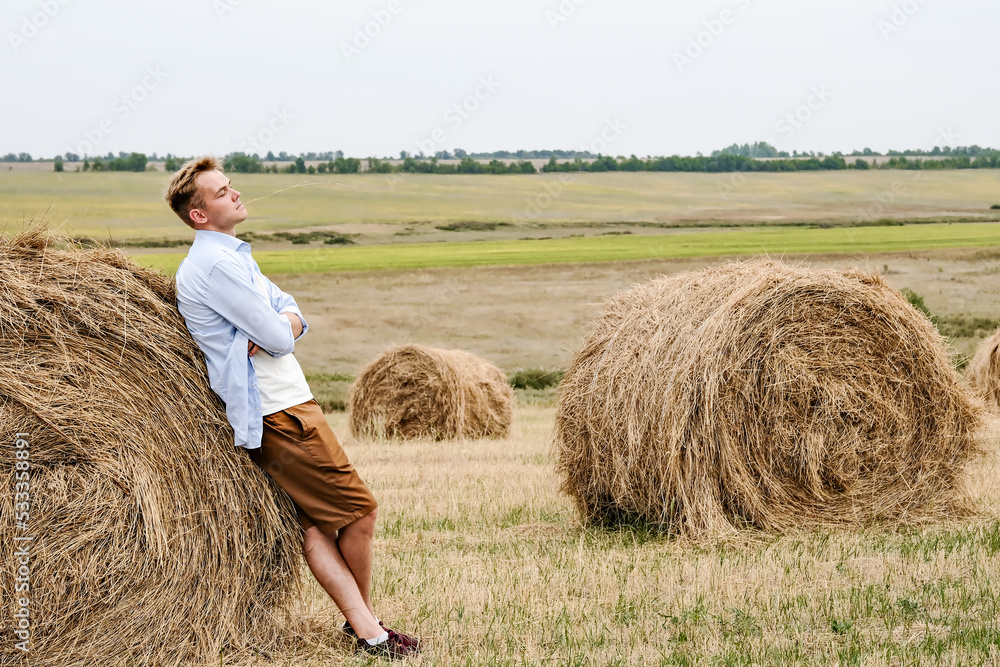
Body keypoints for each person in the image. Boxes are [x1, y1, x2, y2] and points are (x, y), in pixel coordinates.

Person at [165, 157, 419, 659]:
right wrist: (285, 327)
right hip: (281, 411)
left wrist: (287, 324)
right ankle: (366, 629)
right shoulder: (214, 265)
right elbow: (280, 333)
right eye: (221, 192)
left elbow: (288, 311)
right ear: (199, 215)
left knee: (316, 526)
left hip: (285, 404)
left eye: (230, 186)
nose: (236, 194)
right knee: (361, 513)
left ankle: (366, 629)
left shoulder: (233, 257)